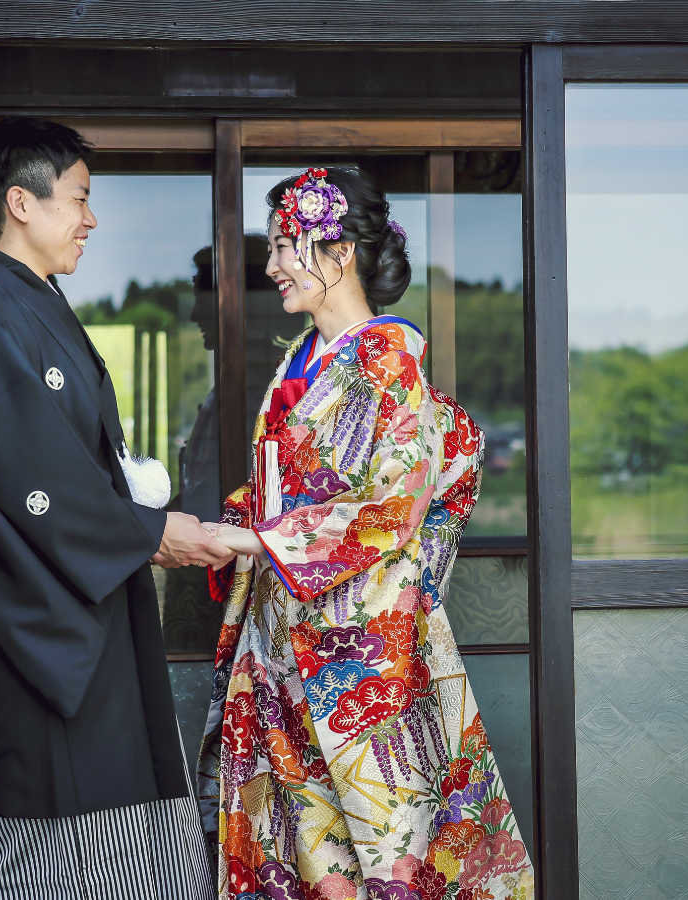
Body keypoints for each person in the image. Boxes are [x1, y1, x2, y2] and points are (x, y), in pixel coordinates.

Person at [196, 167, 534, 899]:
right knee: (290, 851)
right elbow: (278, 491)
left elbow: (391, 506)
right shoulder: (302, 359)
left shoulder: (388, 362)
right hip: (280, 640)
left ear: (340, 252)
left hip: (359, 652)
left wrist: (255, 541)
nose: (271, 264)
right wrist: (219, 527)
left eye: (284, 246)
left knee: (376, 851)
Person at [0, 116, 229, 899]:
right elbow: (34, 483)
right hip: (35, 640)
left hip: (79, 616)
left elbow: (67, 466)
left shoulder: (28, 305)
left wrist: (143, 522)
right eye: (80, 198)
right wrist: (151, 532)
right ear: (21, 202)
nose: (91, 219)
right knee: (45, 838)